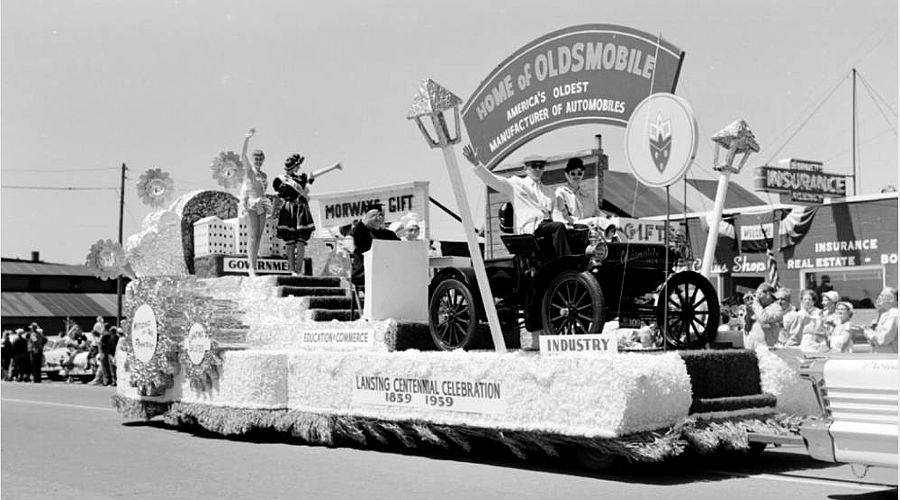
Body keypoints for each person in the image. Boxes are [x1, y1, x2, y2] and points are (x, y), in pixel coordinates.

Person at [462, 145, 571, 258]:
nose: (538, 169)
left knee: (571, 231)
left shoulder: (549, 192)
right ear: (526, 169)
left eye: (541, 166)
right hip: (531, 227)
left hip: (547, 226)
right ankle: (565, 262)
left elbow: (556, 214)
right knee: (558, 227)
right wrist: (476, 163)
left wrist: (568, 225)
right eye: (534, 166)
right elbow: (493, 180)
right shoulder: (517, 184)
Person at [273, 154, 317, 275]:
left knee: (301, 242)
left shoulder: (301, 178)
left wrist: (334, 167)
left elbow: (316, 174)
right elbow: (277, 197)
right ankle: (292, 270)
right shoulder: (280, 179)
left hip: (301, 209)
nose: (299, 168)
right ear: (294, 166)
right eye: (298, 166)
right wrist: (272, 213)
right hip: (288, 209)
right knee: (290, 242)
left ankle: (298, 270)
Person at [239, 128, 274, 277]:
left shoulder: (264, 175)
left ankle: (254, 264)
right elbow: (242, 156)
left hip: (262, 204)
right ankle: (251, 267)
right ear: (253, 160)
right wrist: (247, 139)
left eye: (260, 159)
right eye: (256, 158)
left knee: (259, 236)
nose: (258, 161)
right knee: (252, 236)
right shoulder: (250, 171)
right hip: (252, 204)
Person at [349, 207, 400, 286]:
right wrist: (363, 222)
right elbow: (359, 239)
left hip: (387, 274)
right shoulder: (361, 231)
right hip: (364, 274)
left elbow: (400, 248)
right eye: (374, 215)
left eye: (381, 215)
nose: (379, 218)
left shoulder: (389, 234)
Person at [745, 283, 784, 349]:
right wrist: (748, 312)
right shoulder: (758, 308)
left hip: (768, 349)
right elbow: (747, 328)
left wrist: (756, 304)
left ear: (768, 294)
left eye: (759, 294)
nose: (757, 297)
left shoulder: (777, 308)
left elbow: (764, 319)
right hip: (753, 347)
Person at [863, 287, 898, 353]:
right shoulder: (885, 315)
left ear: (891, 299)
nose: (879, 298)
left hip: (890, 358)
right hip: (881, 355)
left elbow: (884, 339)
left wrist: (869, 334)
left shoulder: (894, 314)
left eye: (882, 296)